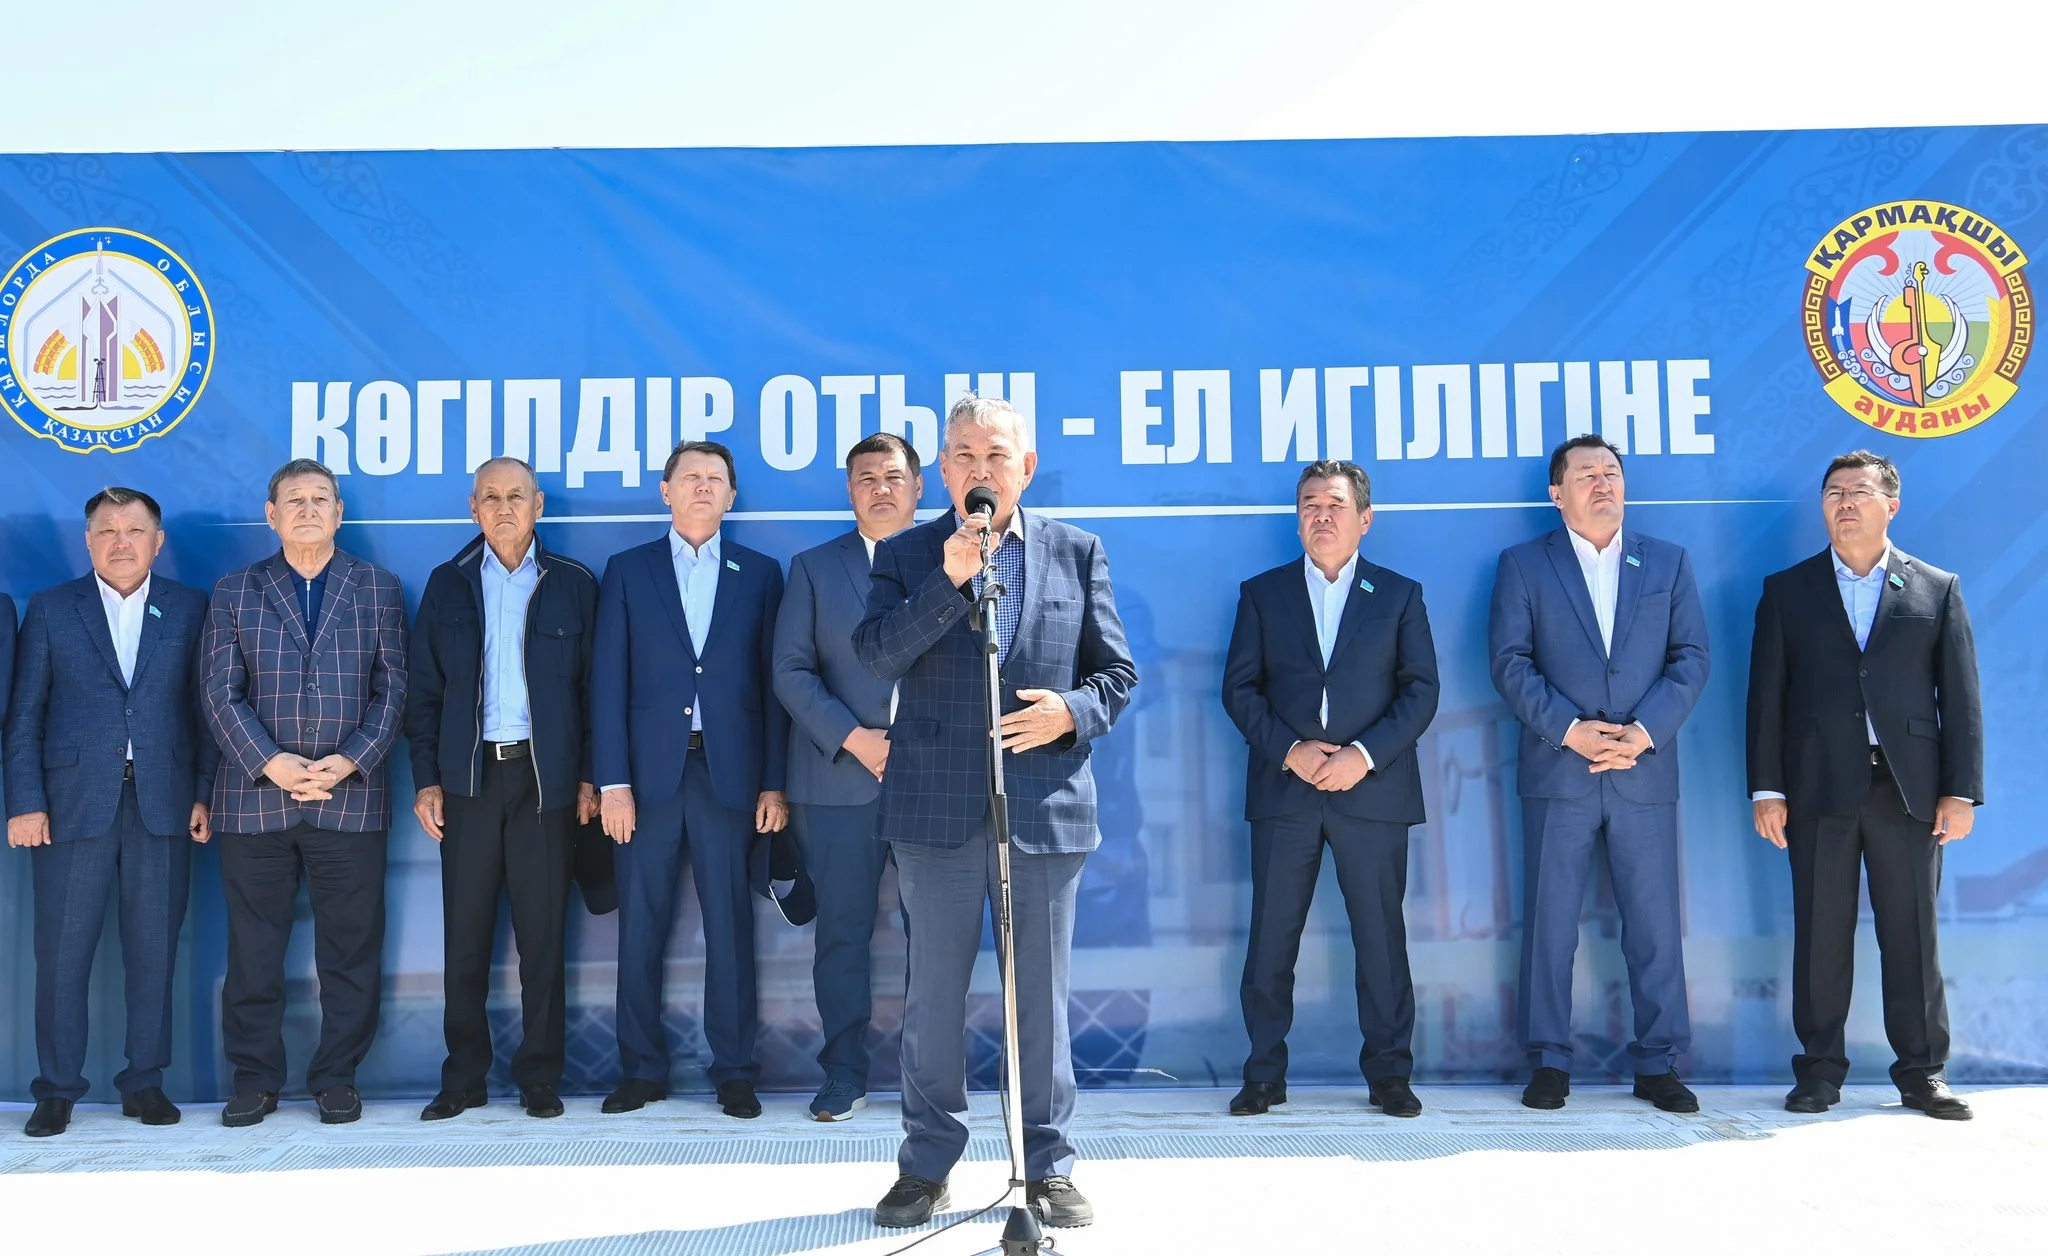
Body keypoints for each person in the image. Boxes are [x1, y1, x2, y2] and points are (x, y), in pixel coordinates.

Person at [853, 396, 1136, 1231]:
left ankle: (1047, 1165)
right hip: (934, 814)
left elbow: (1116, 676)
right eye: (966, 456)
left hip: (1043, 808)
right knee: (933, 1000)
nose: (982, 470)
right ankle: (926, 1165)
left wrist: (1068, 714)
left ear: (1027, 467)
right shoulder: (907, 555)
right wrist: (947, 581)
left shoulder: (1077, 552)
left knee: (1038, 1000)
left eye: (997, 456)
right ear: (944, 470)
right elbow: (876, 655)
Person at [1747, 450, 1982, 1120]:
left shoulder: (1935, 588)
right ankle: (1820, 1071)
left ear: (1891, 504)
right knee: (1821, 935)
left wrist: (1961, 790)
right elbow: (1766, 698)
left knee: (1913, 937)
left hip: (1908, 790)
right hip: (1817, 786)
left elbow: (1961, 698)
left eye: (1858, 491)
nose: (1844, 503)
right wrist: (1767, 788)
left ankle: (1922, 1072)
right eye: (1833, 493)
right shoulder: (1788, 591)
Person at [1488, 434, 1709, 1112]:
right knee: (1551, 924)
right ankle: (1549, 1061)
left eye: (1611, 471)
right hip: (1560, 768)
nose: (1603, 483)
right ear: (1557, 494)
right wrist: (1570, 730)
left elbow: (1691, 658)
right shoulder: (1524, 564)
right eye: (1586, 474)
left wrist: (1642, 733)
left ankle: (1659, 1062)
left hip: (1643, 768)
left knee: (1654, 925)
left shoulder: (1667, 562)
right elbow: (1510, 662)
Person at [1221, 461, 1439, 1119]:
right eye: (1310, 504)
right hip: (1285, 790)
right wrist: (1290, 751)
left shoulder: (1399, 595)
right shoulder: (1263, 594)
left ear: (1364, 519)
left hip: (1371, 793)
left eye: (1336, 504)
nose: (1322, 515)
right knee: (1271, 940)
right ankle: (1263, 1074)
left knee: (1381, 940)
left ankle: (1390, 1075)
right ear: (1298, 520)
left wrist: (1361, 757)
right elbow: (1240, 689)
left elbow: (1421, 691)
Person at [201, 458, 408, 1127]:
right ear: (272, 515)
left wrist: (350, 761)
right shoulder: (235, 591)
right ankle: (255, 1080)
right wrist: (271, 763)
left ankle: (337, 1077)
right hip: (255, 799)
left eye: (322, 499)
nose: (309, 509)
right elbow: (219, 692)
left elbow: (393, 689)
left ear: (339, 513)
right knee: (253, 952)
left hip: (350, 798)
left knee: (350, 949)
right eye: (295, 500)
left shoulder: (379, 588)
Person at [3, 489, 214, 1137]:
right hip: (70, 808)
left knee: (154, 952)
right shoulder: (51, 608)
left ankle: (144, 1083)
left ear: (158, 540)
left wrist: (204, 792)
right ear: (88, 540)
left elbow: (207, 709)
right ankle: (57, 1090)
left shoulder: (190, 607)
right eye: (107, 531)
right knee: (61, 955)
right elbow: (25, 714)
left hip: (164, 803)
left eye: (135, 530)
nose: (121, 542)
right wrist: (26, 802)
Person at [592, 440, 790, 1120]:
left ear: (731, 496)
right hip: (646, 781)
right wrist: (612, 781)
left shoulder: (760, 574)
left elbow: (773, 687)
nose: (703, 487)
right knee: (640, 926)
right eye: (691, 477)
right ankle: (641, 1070)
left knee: (730, 927)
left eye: (715, 479)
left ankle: (733, 1070)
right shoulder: (628, 571)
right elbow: (607, 682)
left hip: (728, 776)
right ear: (666, 490)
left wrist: (773, 782)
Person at [405, 457, 601, 1122]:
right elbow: (424, 693)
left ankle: (539, 1076)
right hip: (468, 782)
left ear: (538, 505)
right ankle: (463, 1078)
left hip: (546, 784)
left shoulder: (573, 583)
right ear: (474, 509)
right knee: (464, 939)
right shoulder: (449, 583)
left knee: (542, 939)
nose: (504, 507)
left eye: (516, 496)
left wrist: (588, 777)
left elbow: (595, 693)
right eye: (490, 497)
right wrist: (427, 780)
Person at [771, 431, 922, 1122]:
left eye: (893, 476)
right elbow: (789, 670)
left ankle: (929, 1077)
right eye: (866, 478)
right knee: (841, 933)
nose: (880, 488)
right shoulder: (813, 568)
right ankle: (843, 1073)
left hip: (932, 779)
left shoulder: (954, 560)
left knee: (937, 935)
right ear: (849, 490)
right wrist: (856, 739)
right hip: (837, 779)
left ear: (918, 487)